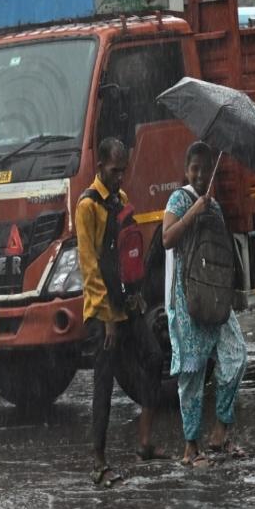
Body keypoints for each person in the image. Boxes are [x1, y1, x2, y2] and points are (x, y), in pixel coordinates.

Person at [76, 138, 169, 488]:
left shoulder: (122, 201)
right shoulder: (87, 206)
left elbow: (127, 258)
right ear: (100, 167)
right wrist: (107, 319)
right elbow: (90, 267)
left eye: (123, 171)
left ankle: (144, 441)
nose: (119, 178)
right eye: (114, 171)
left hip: (128, 305)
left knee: (155, 356)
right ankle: (98, 462)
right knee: (104, 384)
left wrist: (135, 298)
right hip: (102, 315)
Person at [162, 141, 250, 467]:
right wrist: (193, 212)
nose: (199, 174)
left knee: (236, 357)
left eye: (204, 168)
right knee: (192, 373)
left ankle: (221, 432)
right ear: (186, 171)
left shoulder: (214, 205)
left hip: (215, 297)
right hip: (187, 301)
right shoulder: (179, 199)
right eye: (194, 168)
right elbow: (167, 238)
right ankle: (191, 448)